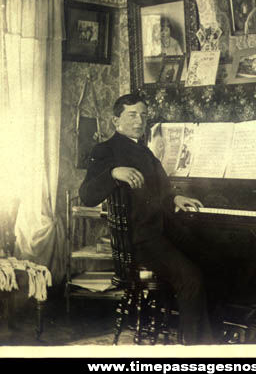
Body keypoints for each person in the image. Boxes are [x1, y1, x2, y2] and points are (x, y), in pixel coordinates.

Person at [79, 93, 214, 345]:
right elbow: (86, 195)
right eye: (132, 115)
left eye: (143, 115)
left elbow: (162, 188)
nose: (139, 121)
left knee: (211, 259)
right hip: (138, 241)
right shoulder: (104, 150)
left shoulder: (144, 150)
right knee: (190, 277)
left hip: (159, 233)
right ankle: (198, 349)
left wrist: (174, 199)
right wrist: (113, 173)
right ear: (115, 120)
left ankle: (209, 337)